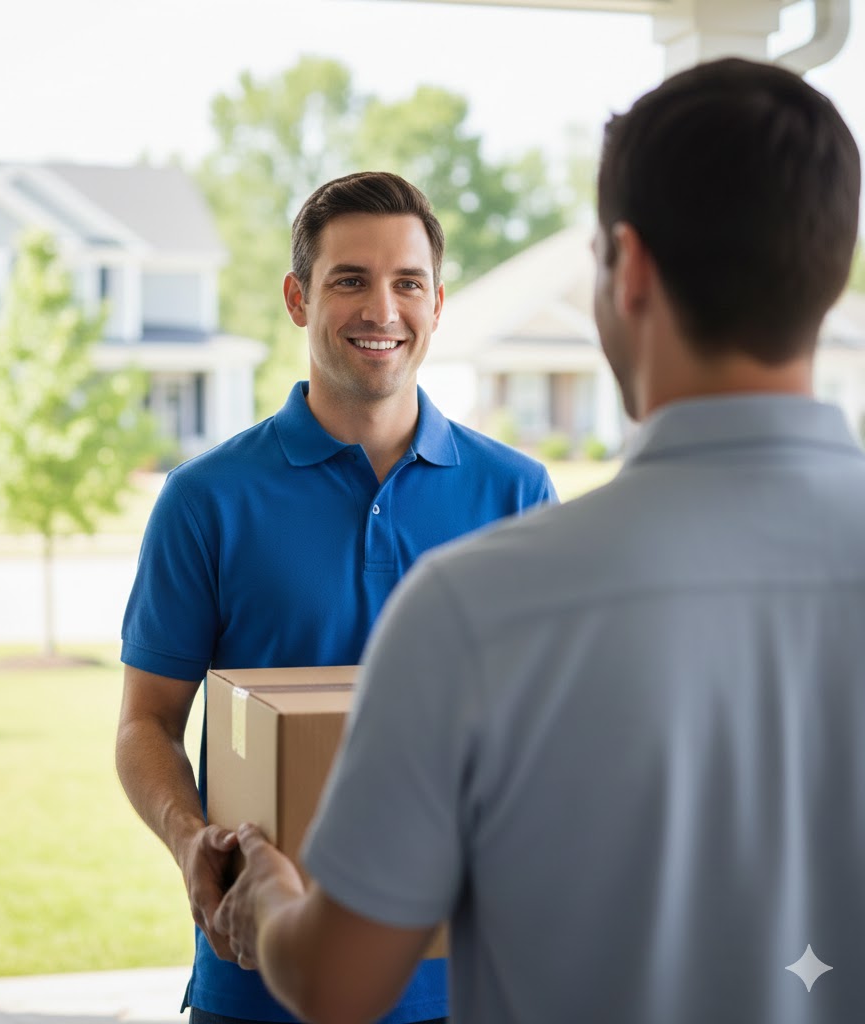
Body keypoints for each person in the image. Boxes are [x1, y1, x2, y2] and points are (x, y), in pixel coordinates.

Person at [213, 58, 865, 1024]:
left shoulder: (477, 604)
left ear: (627, 268)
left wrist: (265, 890)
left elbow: (339, 983)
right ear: (829, 266)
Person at [115, 170, 556, 1024]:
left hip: (468, 980)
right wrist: (185, 836)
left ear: (437, 302)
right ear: (296, 298)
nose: (381, 310)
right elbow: (146, 722)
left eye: (408, 283)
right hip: (259, 980)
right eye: (349, 279)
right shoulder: (207, 499)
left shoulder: (518, 497)